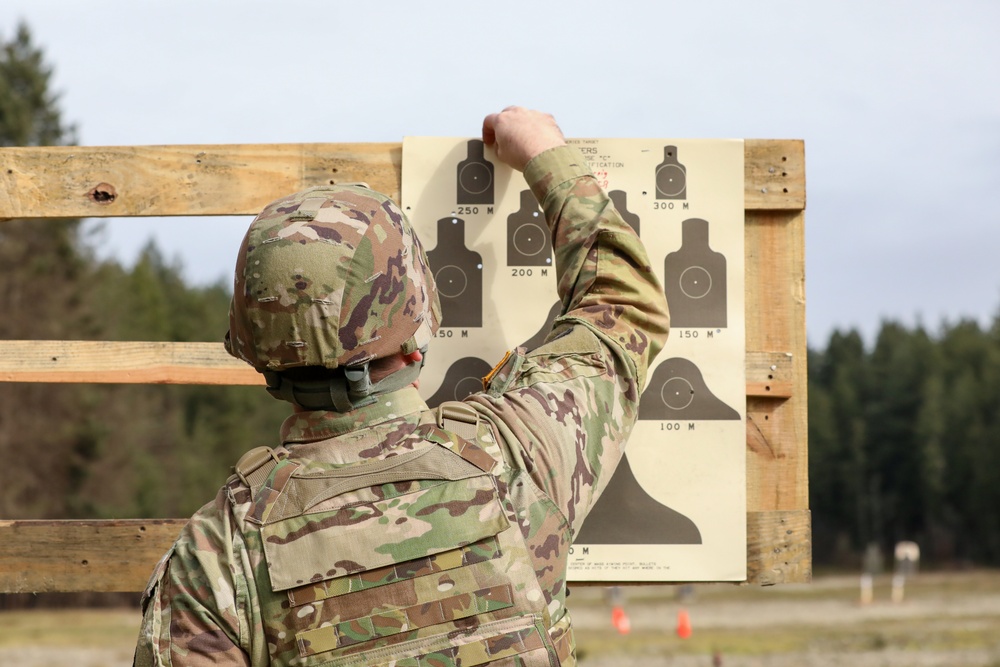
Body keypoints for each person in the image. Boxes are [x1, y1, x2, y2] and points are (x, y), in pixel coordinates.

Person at [134, 107, 670, 667]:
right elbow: (622, 307)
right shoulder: (515, 451)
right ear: (416, 329)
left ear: (254, 348)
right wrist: (544, 153)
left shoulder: (217, 551)